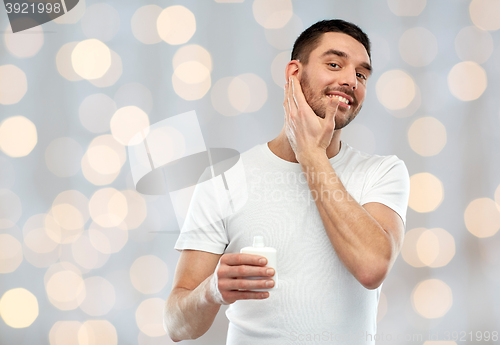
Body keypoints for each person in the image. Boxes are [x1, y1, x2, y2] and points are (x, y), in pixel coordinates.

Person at [164, 19, 410, 344]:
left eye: (361, 74)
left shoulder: (382, 172)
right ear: (294, 73)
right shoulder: (224, 179)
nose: (351, 80)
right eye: (334, 64)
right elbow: (177, 326)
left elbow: (372, 268)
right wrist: (211, 291)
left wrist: (311, 153)